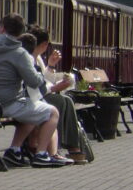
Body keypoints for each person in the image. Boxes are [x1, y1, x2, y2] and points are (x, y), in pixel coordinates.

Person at [0, 13, 65, 168]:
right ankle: (41, 154)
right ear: (21, 32)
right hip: (7, 103)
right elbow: (34, 81)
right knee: (52, 113)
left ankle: (15, 150)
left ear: (2, 28)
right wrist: (38, 71)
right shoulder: (20, 53)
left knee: (31, 111)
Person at [28, 25, 88, 164]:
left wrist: (51, 66)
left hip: (38, 95)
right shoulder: (30, 58)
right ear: (44, 44)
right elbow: (35, 84)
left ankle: (73, 146)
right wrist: (55, 88)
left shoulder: (37, 58)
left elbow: (43, 79)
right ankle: (56, 147)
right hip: (33, 97)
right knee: (59, 101)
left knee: (66, 100)